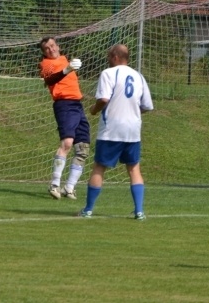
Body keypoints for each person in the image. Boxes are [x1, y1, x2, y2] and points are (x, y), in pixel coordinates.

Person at [79, 44, 153, 220]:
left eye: (108, 56)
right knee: (134, 168)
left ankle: (88, 210)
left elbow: (103, 98)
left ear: (114, 56)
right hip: (133, 130)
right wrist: (131, 112)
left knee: (99, 167)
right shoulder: (138, 76)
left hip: (112, 129)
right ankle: (139, 211)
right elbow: (147, 106)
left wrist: (94, 110)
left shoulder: (108, 73)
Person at [39, 37, 91, 200]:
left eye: (53, 45)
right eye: (47, 48)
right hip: (64, 104)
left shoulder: (64, 59)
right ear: (44, 52)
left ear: (58, 46)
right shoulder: (46, 64)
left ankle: (69, 187)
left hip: (77, 104)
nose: (51, 49)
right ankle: (54, 184)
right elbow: (49, 80)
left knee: (83, 148)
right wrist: (67, 70)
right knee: (67, 143)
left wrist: (69, 66)